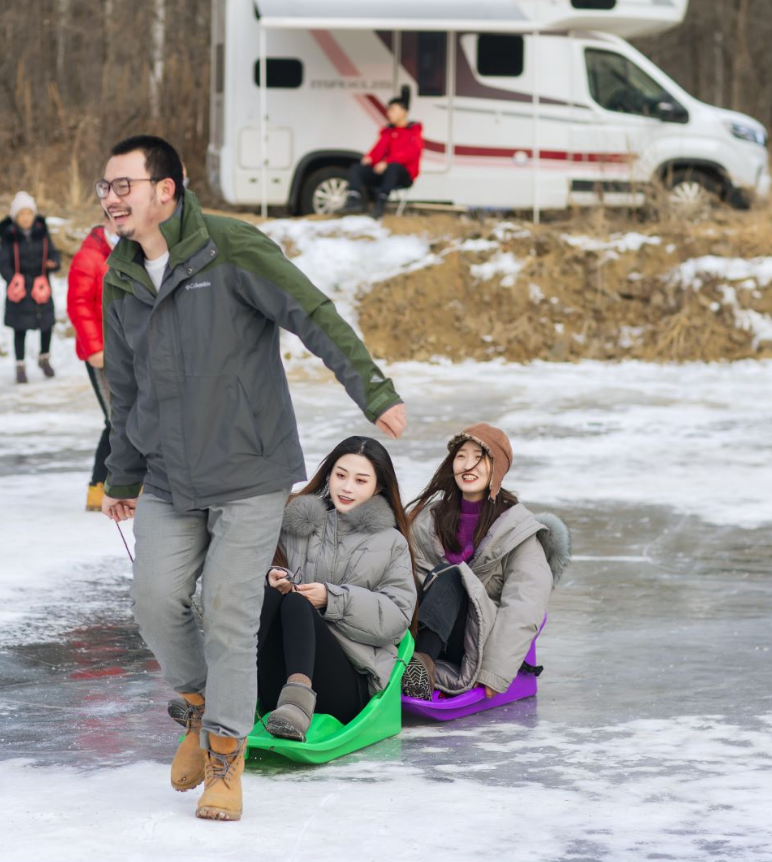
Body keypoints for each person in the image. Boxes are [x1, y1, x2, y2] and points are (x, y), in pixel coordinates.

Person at [96, 134, 408, 822]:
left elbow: (312, 313)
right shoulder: (118, 275)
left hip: (249, 471)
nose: (111, 199)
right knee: (155, 603)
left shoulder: (231, 250)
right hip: (168, 477)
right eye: (105, 187)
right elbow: (123, 387)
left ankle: (226, 760)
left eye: (124, 185)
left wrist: (374, 391)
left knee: (230, 617)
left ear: (165, 190)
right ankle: (201, 710)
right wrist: (121, 475)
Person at [258, 436, 415, 740]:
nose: (346, 487)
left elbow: (397, 618)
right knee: (270, 595)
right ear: (328, 474)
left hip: (346, 684)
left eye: (360, 480)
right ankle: (218, 691)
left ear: (378, 487)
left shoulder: (391, 542)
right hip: (277, 677)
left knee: (297, 604)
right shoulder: (297, 524)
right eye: (340, 475)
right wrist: (271, 575)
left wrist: (333, 600)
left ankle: (298, 702)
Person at [402, 424, 571, 701]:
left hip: (477, 641)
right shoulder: (426, 521)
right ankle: (411, 665)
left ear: (498, 467)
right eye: (461, 456)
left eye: (479, 456)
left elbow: (523, 605)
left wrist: (494, 672)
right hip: (421, 629)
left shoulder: (518, 532)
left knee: (454, 575)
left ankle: (420, 665)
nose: (468, 465)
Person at [66, 218, 119, 511]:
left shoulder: (126, 251)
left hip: (125, 351)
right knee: (115, 420)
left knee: (129, 418)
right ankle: (98, 488)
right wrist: (95, 347)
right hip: (100, 352)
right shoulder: (89, 256)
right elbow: (79, 304)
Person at [0, 191, 61, 384]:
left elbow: (54, 254)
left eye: (29, 214)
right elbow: (2, 262)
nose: (26, 218)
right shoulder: (9, 237)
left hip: (41, 287)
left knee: (47, 324)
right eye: (22, 214)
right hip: (20, 289)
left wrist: (53, 264)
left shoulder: (42, 233)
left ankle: (44, 358)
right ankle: (20, 365)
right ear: (15, 217)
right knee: (20, 328)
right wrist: (12, 279)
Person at [342, 96, 424, 218]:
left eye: (392, 110)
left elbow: (411, 153)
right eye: (388, 110)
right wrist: (369, 158)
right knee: (356, 168)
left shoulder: (413, 131)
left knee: (393, 167)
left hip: (403, 175)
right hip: (385, 172)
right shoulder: (388, 132)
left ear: (403, 111)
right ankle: (354, 199)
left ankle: (380, 204)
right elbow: (377, 150)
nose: (388, 113)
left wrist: (387, 162)